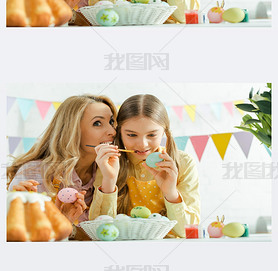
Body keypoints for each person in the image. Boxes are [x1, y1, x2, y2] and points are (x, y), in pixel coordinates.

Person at [89, 94, 200, 238]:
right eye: (131, 135)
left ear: (164, 131)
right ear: (119, 131)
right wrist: (109, 181)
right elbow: (99, 232)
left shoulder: (184, 163)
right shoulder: (108, 162)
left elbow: (188, 232)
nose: (142, 144)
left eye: (152, 135)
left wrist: (171, 193)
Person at [7, 94, 120, 233]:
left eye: (112, 122)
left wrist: (109, 180)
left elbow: (106, 232)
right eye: (97, 123)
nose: (113, 131)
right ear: (72, 130)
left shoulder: (109, 170)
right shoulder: (34, 173)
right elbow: (19, 234)